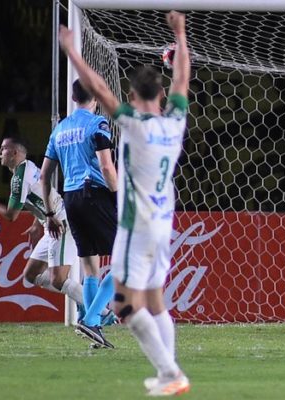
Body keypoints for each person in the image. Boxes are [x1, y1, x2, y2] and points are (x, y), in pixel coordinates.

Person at [58, 10, 190, 396]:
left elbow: (99, 89)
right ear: (162, 96)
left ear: (133, 96)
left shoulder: (132, 122)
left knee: (123, 307)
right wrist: (180, 34)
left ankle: (171, 372)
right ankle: (169, 375)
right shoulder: (175, 121)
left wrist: (73, 53)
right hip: (164, 224)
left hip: (136, 226)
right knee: (154, 300)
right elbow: (183, 75)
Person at [41, 78, 118, 348]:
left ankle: (93, 329)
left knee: (90, 267)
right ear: (96, 96)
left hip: (70, 199)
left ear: (73, 98)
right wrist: (119, 195)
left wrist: (50, 213)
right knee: (126, 261)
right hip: (95, 194)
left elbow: (44, 175)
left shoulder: (59, 130)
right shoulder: (97, 124)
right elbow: (106, 168)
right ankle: (93, 318)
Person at [0, 136, 84, 312]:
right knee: (31, 274)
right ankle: (83, 300)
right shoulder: (29, 167)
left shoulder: (19, 178)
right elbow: (42, 196)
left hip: (61, 225)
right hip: (51, 224)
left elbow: (11, 216)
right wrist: (36, 223)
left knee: (58, 279)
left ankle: (99, 310)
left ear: (14, 152)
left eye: (3, 148)